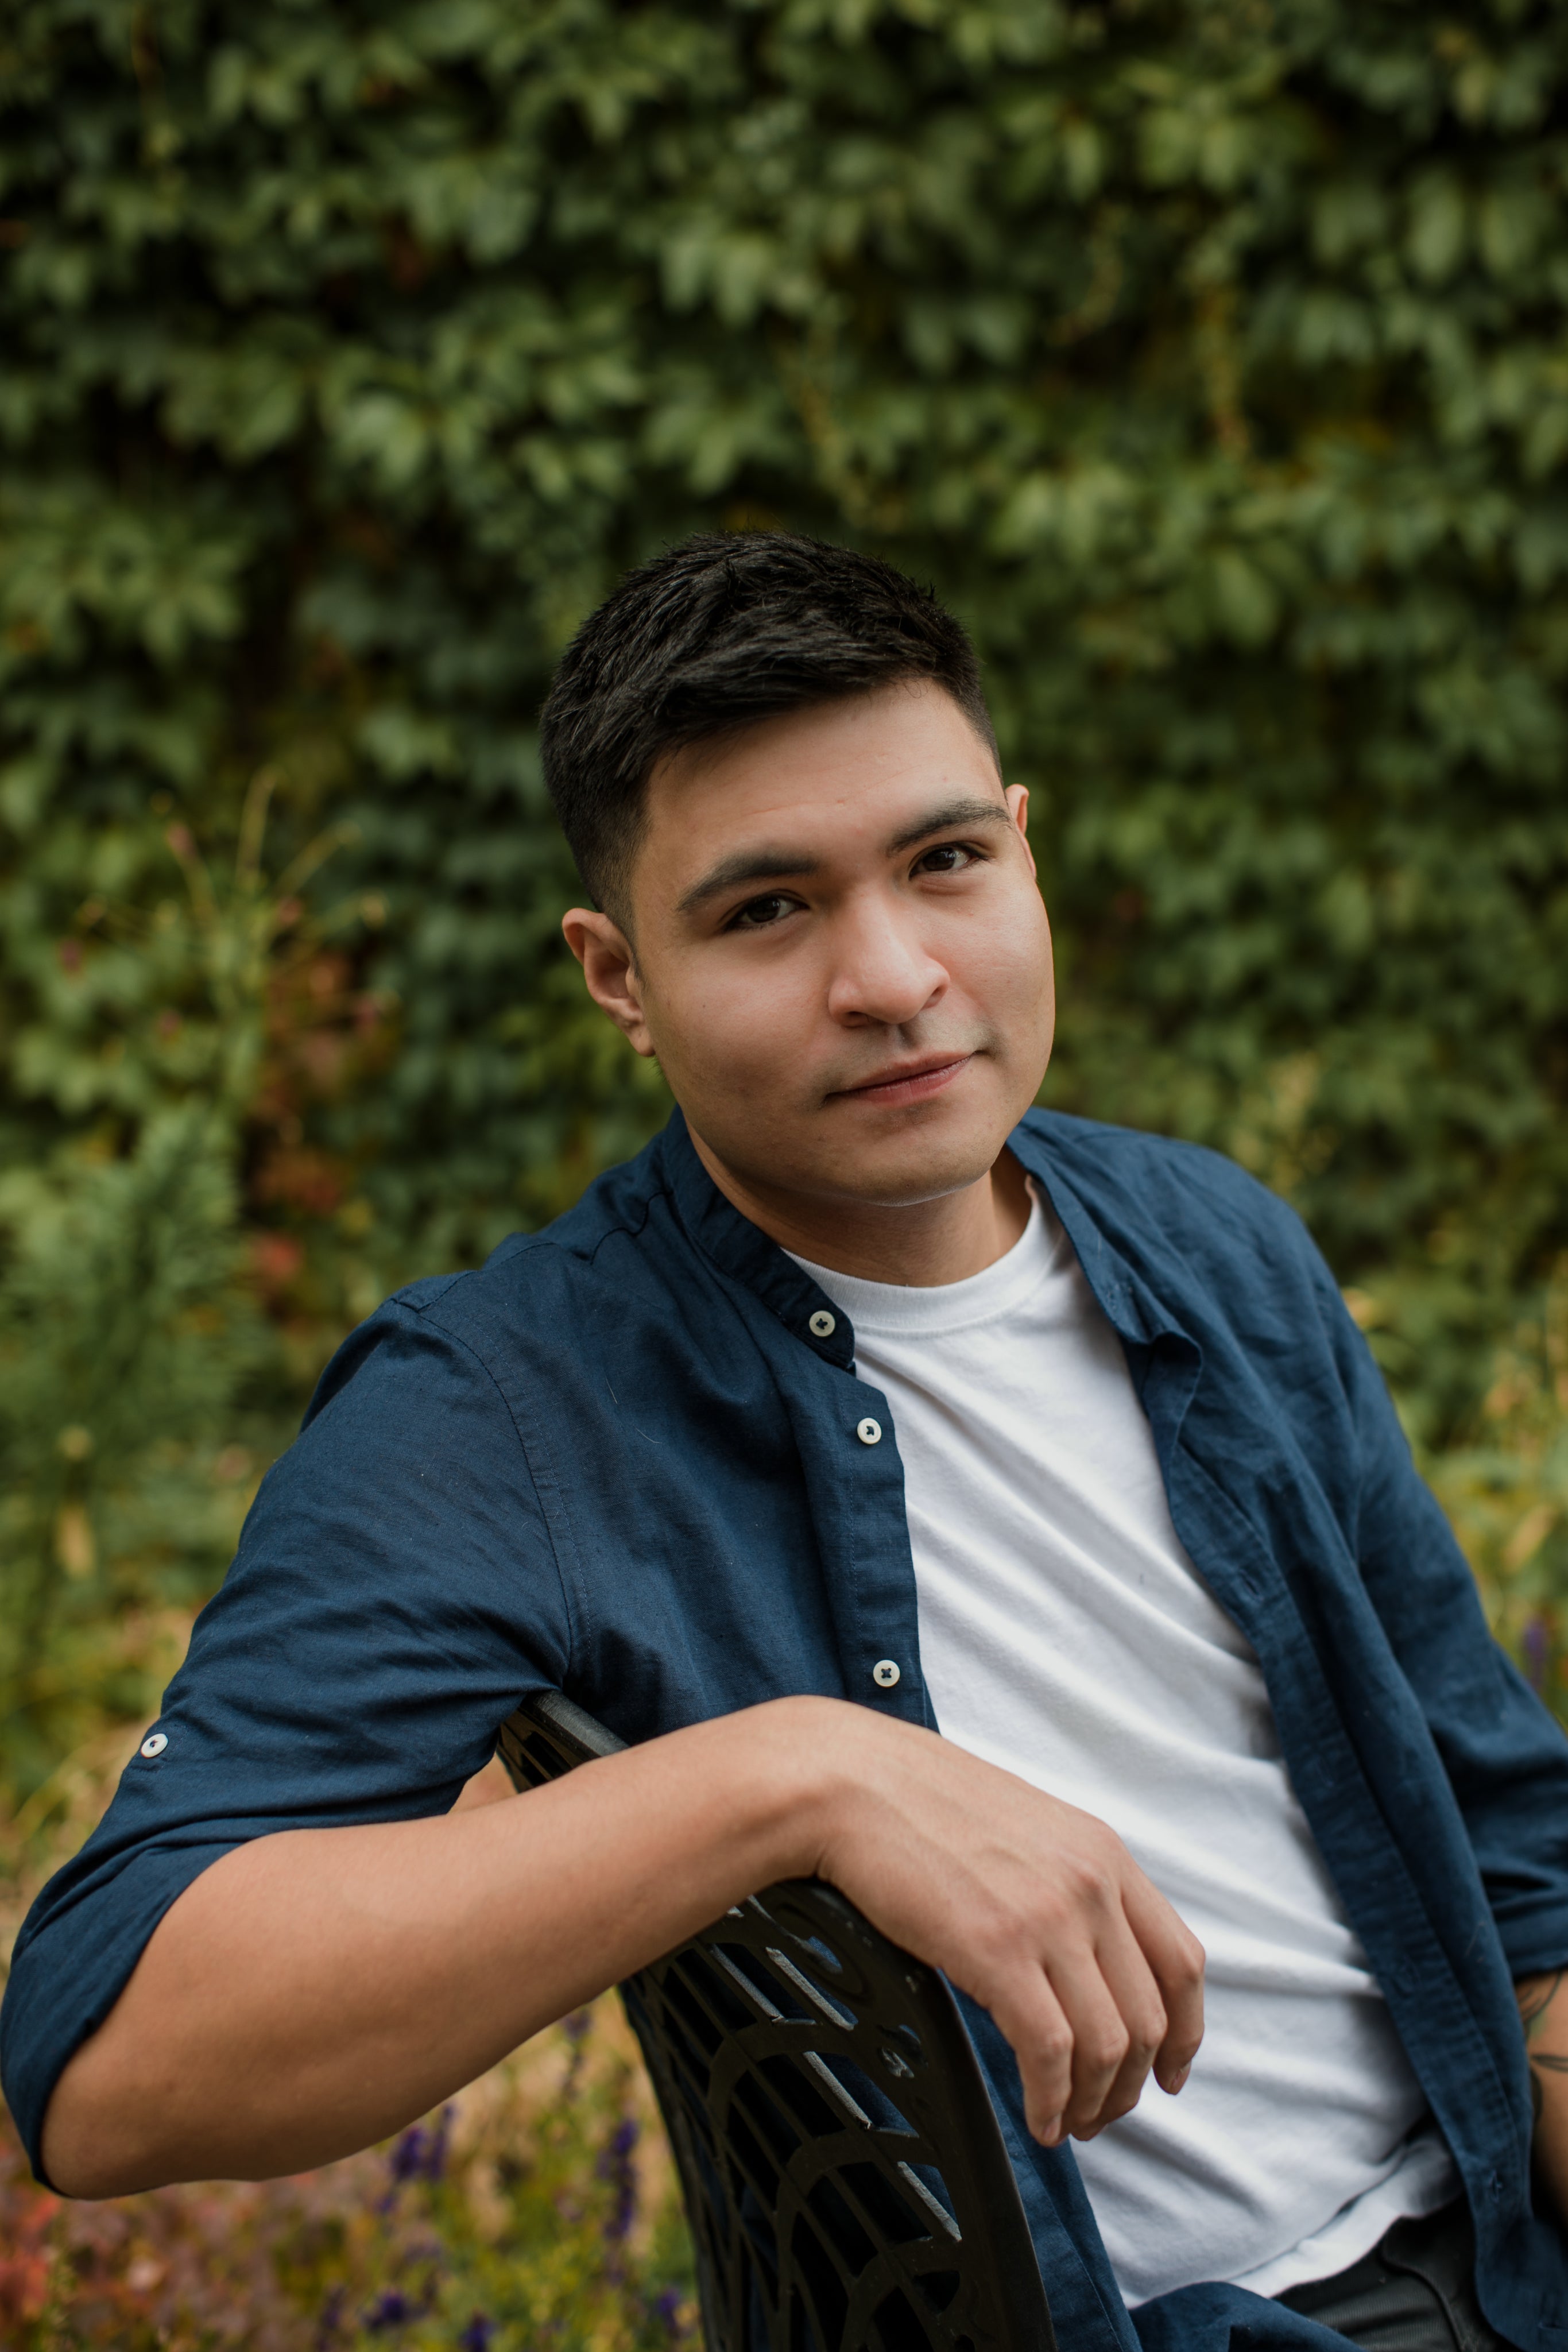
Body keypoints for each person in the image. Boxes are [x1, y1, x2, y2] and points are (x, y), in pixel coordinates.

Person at [4, 533, 1566, 2351]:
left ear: (1024, 842)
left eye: (944, 861)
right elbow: (107, 2065)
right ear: (615, 974)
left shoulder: (1212, 1244)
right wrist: (793, 1781)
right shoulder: (508, 1404)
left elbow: (1515, 1866)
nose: (893, 976)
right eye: (766, 910)